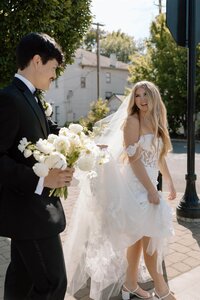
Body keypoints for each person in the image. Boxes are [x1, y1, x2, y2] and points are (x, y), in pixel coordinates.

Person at [64, 81, 176, 300]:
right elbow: (134, 161)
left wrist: (170, 182)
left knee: (137, 239)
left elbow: (159, 157)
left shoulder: (156, 123)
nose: (142, 99)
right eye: (137, 95)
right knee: (150, 242)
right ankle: (163, 291)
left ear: (154, 98)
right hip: (136, 190)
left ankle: (129, 285)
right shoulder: (131, 121)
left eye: (146, 94)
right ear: (133, 100)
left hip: (150, 188)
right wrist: (151, 191)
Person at [0, 32, 74, 300]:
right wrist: (43, 180)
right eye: (53, 67)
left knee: (23, 282)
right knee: (54, 283)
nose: (54, 75)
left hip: (32, 215)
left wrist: (80, 147)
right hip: (28, 213)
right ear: (36, 61)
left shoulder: (33, 97)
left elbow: (50, 134)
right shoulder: (9, 99)